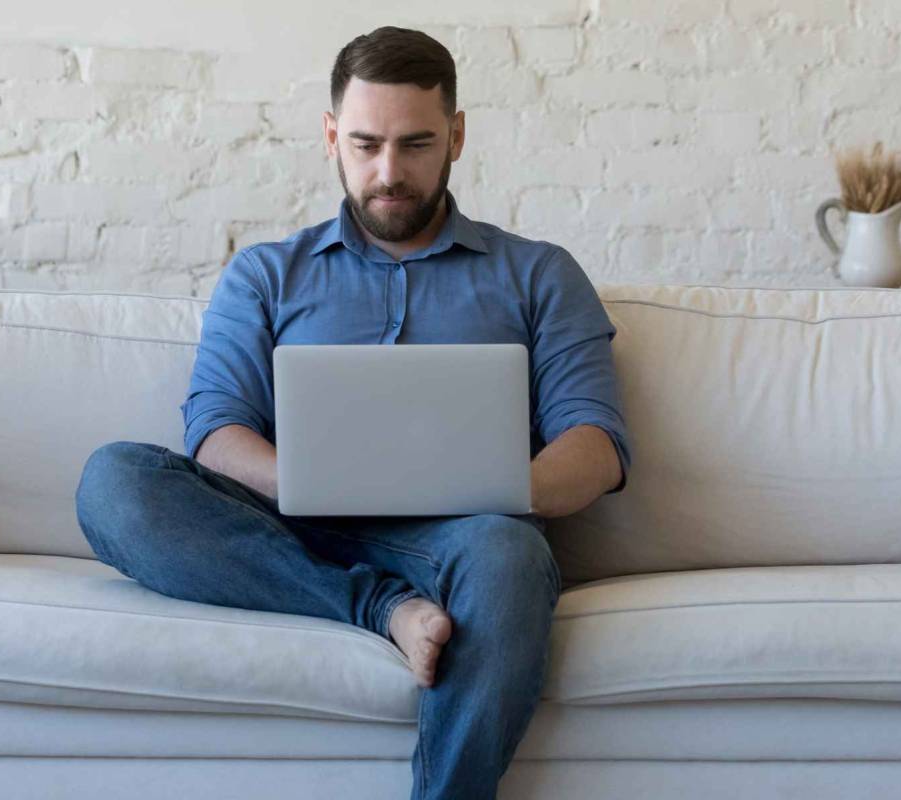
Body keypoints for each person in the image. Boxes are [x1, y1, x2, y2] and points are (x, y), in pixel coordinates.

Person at [73, 25, 633, 800]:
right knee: (114, 482)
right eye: (365, 144)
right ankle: (380, 607)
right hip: (288, 526)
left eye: (415, 145)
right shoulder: (266, 274)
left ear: (458, 137)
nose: (388, 172)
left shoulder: (538, 274)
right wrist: (313, 482)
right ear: (331, 136)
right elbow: (215, 434)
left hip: (462, 538)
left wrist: (493, 487)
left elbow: (595, 447)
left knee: (509, 557)